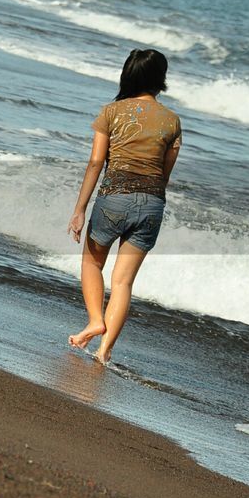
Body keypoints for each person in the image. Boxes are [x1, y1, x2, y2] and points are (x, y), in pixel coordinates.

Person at [67, 49, 181, 364]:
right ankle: (104, 352)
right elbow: (164, 175)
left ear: (128, 76)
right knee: (123, 282)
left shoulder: (112, 112)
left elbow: (95, 163)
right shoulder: (172, 121)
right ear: (161, 80)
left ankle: (95, 320)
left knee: (92, 265)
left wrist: (79, 209)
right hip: (151, 205)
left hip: (113, 199)